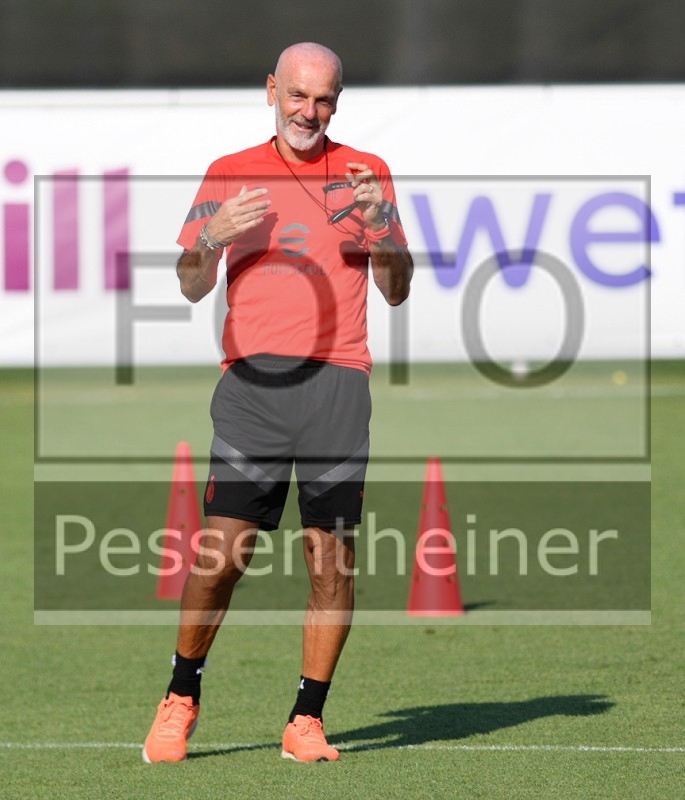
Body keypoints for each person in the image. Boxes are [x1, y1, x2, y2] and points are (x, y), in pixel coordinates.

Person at [142, 41, 413, 764]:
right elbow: (192, 283)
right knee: (224, 553)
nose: (309, 111)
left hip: (337, 385)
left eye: (322, 99)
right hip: (253, 387)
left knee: (330, 562)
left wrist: (382, 227)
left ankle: (306, 719)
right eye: (297, 95)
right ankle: (181, 696)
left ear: (337, 103)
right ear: (271, 91)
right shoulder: (230, 171)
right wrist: (208, 236)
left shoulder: (366, 174)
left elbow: (396, 287)